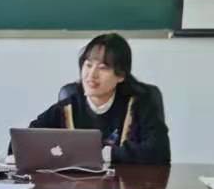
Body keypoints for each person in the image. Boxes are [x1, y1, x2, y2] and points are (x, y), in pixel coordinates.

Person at [27, 33, 171, 165]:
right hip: (75, 184)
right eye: (88, 65)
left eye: (102, 68)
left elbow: (160, 151)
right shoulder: (68, 106)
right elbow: (28, 139)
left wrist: (108, 154)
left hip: (129, 183)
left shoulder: (141, 103)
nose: (92, 75)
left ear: (121, 75)